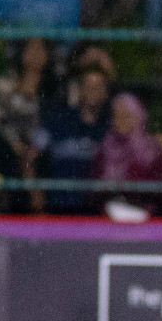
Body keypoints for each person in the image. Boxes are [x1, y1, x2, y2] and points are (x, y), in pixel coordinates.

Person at [0, 38, 51, 210]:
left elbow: (52, 125)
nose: (35, 55)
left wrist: (35, 147)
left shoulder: (53, 88)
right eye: (31, 49)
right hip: (11, 149)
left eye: (40, 49)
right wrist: (15, 144)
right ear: (21, 53)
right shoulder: (6, 86)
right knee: (1, 153)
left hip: (39, 153)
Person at [36, 66, 111, 215]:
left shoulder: (110, 127)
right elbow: (30, 158)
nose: (93, 91)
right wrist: (36, 197)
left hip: (97, 211)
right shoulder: (57, 121)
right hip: (59, 207)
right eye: (88, 85)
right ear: (80, 90)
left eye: (98, 86)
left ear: (105, 92)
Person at [91, 93, 162, 216]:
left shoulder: (152, 148)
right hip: (109, 214)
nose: (120, 121)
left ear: (138, 116)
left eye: (126, 116)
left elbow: (159, 187)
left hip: (145, 214)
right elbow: (94, 182)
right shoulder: (105, 146)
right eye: (116, 116)